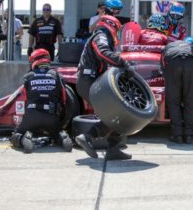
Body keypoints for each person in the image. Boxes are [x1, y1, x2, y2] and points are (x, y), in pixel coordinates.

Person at [75, 14, 135, 160]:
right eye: (118, 29)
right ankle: (87, 137)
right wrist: (123, 63)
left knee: (118, 114)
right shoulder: (100, 35)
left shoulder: (100, 35)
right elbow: (103, 52)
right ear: (112, 25)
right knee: (117, 113)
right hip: (88, 81)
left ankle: (112, 148)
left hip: (91, 80)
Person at [9, 48, 72, 153]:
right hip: (51, 116)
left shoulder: (28, 77)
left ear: (34, 61)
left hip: (32, 116)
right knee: (55, 132)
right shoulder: (57, 76)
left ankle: (23, 138)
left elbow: (22, 99)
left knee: (15, 135)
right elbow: (64, 99)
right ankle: (61, 135)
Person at [161, 37, 193, 144]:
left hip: (173, 63)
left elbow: (163, 68)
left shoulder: (170, 46)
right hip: (192, 64)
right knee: (191, 101)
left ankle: (177, 135)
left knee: (174, 101)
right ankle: (189, 135)